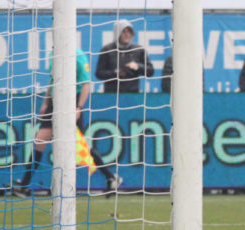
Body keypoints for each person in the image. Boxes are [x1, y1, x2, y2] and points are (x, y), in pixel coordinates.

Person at [14, 48, 120, 195]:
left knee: (77, 143)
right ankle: (25, 183)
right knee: (40, 139)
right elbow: (52, 80)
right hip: (55, 99)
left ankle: (110, 176)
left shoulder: (78, 55)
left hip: (72, 99)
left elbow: (86, 84)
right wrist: (46, 102)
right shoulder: (52, 54)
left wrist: (79, 107)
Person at [95, 19, 155, 93]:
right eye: (123, 31)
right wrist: (115, 73)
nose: (127, 34)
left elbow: (151, 71)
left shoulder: (139, 50)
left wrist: (138, 66)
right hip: (112, 94)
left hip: (133, 94)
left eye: (129, 31)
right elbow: (99, 73)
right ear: (117, 33)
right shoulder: (107, 50)